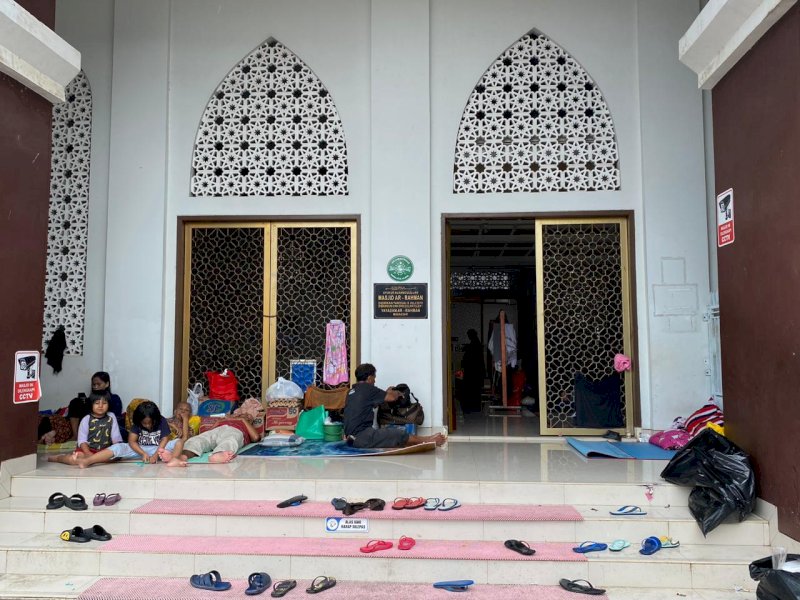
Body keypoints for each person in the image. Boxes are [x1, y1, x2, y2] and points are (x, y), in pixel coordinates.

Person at [343, 363, 446, 449]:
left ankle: (427, 438)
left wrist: (385, 392)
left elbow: (370, 404)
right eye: (374, 378)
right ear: (369, 378)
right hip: (362, 437)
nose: (375, 381)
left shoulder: (351, 391)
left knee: (389, 435)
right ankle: (429, 440)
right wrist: (397, 393)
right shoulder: (368, 388)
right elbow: (391, 398)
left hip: (350, 436)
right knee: (397, 433)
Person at [48, 393, 124, 466]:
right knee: (74, 459)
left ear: (108, 404)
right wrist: (87, 453)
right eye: (97, 403)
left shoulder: (111, 416)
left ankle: (93, 460)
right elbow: (82, 440)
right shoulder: (86, 419)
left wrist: (117, 450)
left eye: (104, 403)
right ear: (91, 404)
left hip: (105, 451)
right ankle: (59, 458)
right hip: (88, 450)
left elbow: (116, 437)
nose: (101, 406)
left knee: (117, 456)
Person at [162, 412, 263, 466]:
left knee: (230, 440)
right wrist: (219, 422)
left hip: (234, 431)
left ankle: (218, 454)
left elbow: (256, 438)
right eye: (240, 414)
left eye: (247, 416)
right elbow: (207, 433)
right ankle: (182, 457)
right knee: (198, 440)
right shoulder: (226, 420)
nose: (242, 415)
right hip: (218, 430)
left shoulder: (243, 423)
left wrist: (242, 420)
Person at [67, 372, 126, 440]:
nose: (95, 387)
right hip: (91, 422)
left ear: (107, 384)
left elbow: (115, 416)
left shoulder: (114, 398)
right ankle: (75, 435)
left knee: (121, 430)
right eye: (94, 384)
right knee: (75, 402)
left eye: (98, 384)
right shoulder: (89, 400)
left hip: (107, 424)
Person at [460, 329, 485, 414]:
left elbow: (470, 358)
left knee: (472, 390)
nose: (468, 336)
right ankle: (474, 406)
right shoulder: (476, 343)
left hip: (473, 372)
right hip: (475, 372)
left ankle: (472, 407)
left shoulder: (474, 344)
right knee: (474, 390)